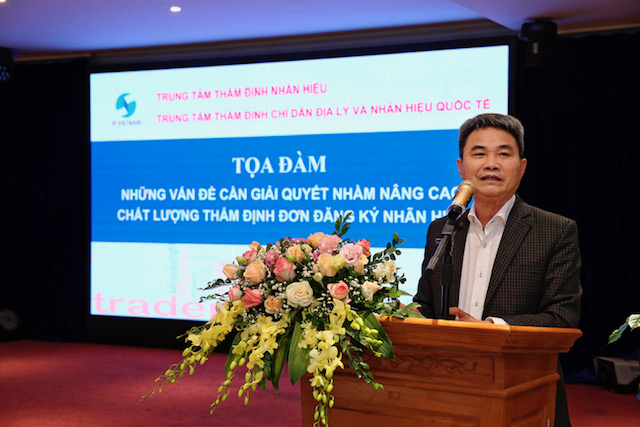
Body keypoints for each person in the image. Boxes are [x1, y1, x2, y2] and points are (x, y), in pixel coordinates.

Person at [414, 113, 582, 426]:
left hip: (523, 390)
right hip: (446, 387)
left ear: (522, 166)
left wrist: (492, 329)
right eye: (479, 154)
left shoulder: (554, 230)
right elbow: (426, 303)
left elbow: (563, 316)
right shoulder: (442, 229)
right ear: (461, 167)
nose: (491, 164)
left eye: (503, 154)